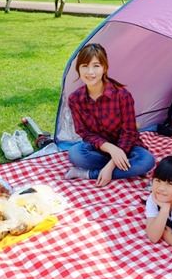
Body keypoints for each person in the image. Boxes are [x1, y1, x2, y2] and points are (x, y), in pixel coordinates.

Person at [64, 43, 155, 187]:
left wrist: (112, 164)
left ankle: (87, 174)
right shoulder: (75, 99)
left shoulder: (122, 95)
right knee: (75, 154)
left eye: (96, 66)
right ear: (78, 69)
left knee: (147, 161)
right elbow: (84, 133)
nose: (90, 72)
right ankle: (128, 168)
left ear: (105, 68)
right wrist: (111, 149)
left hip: (127, 147)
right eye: (85, 66)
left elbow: (129, 133)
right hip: (99, 149)